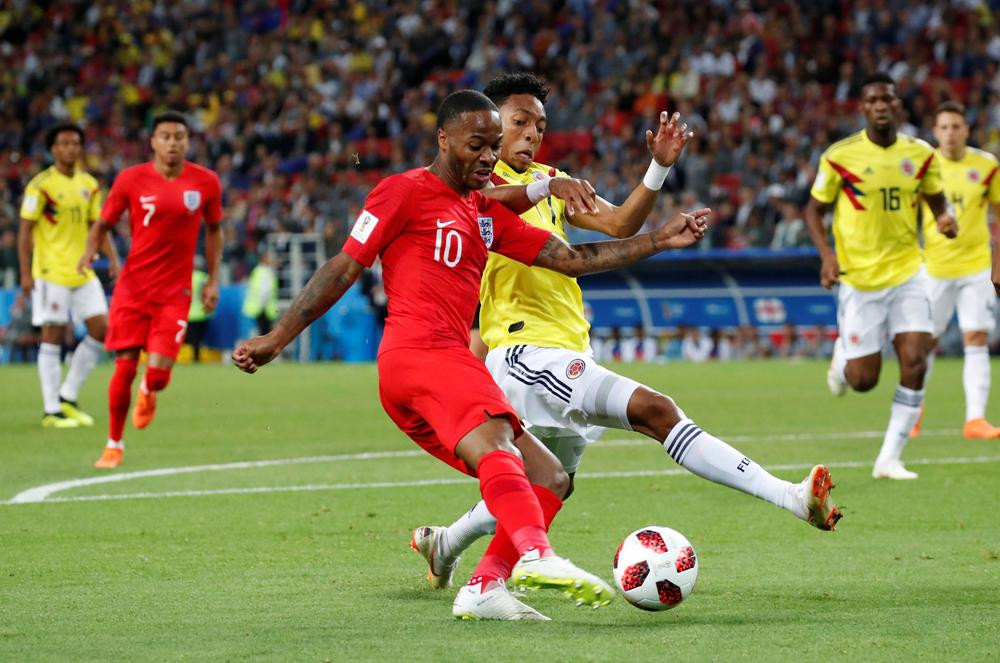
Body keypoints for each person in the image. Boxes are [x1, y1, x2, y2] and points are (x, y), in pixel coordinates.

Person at [233, 89, 711, 621]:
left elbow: (571, 258)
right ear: (443, 139)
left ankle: (485, 587)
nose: (487, 157)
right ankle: (537, 555)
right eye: (476, 145)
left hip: (448, 364)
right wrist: (277, 338)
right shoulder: (401, 192)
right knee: (499, 446)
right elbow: (344, 267)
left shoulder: (483, 211)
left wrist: (657, 242)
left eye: (491, 148)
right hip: (417, 355)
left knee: (550, 477)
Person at [411, 74, 842, 598]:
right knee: (656, 410)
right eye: (518, 122)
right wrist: (546, 187)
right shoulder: (476, 186)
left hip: (564, 348)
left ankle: (452, 550)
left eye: (539, 126)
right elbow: (492, 202)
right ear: (488, 126)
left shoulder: (552, 178)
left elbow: (616, 224)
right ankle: (791, 498)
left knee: (548, 484)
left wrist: (658, 167)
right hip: (525, 353)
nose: (530, 134)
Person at [805, 73, 957, 480]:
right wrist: (826, 256)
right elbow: (813, 211)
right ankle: (843, 361)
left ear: (898, 106)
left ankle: (889, 458)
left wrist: (945, 218)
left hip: (908, 273)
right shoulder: (840, 156)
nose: (881, 106)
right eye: (873, 100)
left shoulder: (921, 154)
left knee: (915, 360)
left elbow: (937, 200)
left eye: (888, 99)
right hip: (859, 280)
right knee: (863, 380)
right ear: (862, 108)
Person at [79, 111, 223, 468]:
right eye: (166, 136)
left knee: (157, 375)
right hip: (133, 289)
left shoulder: (205, 182)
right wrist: (88, 251)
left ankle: (149, 390)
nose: (173, 143)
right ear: (153, 142)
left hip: (175, 293)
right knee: (124, 367)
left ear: (187, 141)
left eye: (179, 136)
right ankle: (114, 443)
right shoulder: (130, 179)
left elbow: (215, 230)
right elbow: (103, 223)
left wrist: (214, 280)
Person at [17, 123, 119, 428]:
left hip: (83, 270)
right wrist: (25, 272)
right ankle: (51, 410)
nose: (71, 148)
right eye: (64, 143)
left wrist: (113, 259)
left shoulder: (89, 184)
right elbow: (25, 231)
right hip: (51, 271)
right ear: (53, 149)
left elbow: (98, 227)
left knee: (103, 329)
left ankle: (68, 396)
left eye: (75, 143)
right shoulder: (41, 186)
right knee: (52, 334)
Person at [916, 101, 1000, 439]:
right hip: (933, 268)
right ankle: (913, 416)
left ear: (966, 130)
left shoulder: (987, 165)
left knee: (976, 337)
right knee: (923, 343)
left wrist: (997, 261)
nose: (951, 133)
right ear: (935, 132)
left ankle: (975, 420)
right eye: (944, 127)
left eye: (957, 126)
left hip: (975, 266)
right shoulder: (923, 166)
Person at [242, 252, 279, 336]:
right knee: (265, 335)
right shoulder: (266, 272)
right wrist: (262, 305)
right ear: (264, 259)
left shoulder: (257, 271)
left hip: (257, 309)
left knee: (259, 334)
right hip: (263, 309)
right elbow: (265, 291)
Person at [187, 257, 213, 362]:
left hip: (189, 313)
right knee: (198, 339)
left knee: (189, 338)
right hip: (202, 313)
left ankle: (187, 357)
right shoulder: (204, 277)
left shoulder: (187, 277)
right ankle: (196, 358)